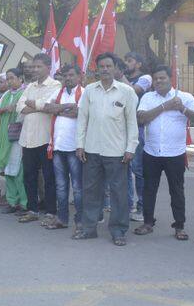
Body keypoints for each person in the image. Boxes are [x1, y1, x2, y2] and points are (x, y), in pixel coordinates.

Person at [75, 52, 139, 246]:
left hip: (117, 152)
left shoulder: (126, 92)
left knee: (119, 193)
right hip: (92, 149)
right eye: (101, 66)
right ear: (97, 69)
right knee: (91, 191)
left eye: (108, 66)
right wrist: (80, 144)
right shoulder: (89, 91)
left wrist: (130, 147)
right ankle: (88, 228)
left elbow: (132, 122)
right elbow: (82, 119)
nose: (105, 69)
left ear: (115, 68)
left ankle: (119, 231)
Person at [134, 65, 194, 240]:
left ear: (170, 79)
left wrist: (182, 109)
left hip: (175, 153)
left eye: (162, 78)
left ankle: (179, 226)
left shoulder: (184, 97)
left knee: (177, 191)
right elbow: (141, 118)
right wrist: (165, 106)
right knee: (149, 189)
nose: (158, 81)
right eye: (155, 78)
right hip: (151, 152)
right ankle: (148, 222)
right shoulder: (148, 97)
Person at [15, 53, 61, 224]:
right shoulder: (30, 86)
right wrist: (37, 105)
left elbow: (48, 105)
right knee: (29, 175)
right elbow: (20, 107)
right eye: (34, 66)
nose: (35, 69)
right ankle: (32, 209)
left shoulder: (56, 85)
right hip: (27, 137)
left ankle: (50, 212)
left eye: (38, 66)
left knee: (49, 176)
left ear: (48, 68)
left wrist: (33, 104)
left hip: (44, 138)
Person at [43, 64, 84, 231]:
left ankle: (80, 221)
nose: (68, 78)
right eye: (65, 75)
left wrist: (58, 109)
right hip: (58, 146)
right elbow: (47, 108)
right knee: (61, 185)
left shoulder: (84, 92)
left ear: (79, 76)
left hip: (75, 147)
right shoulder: (58, 91)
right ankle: (62, 219)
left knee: (78, 187)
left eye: (71, 75)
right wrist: (67, 107)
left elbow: (79, 113)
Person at [0, 68, 26, 214]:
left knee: (18, 171)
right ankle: (12, 202)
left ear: (20, 79)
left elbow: (22, 112)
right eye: (8, 79)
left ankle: (24, 203)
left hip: (19, 137)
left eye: (12, 78)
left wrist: (11, 109)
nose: (10, 81)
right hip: (5, 136)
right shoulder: (6, 94)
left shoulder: (25, 93)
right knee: (8, 170)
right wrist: (6, 109)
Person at [124, 51, 152, 223]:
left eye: (130, 60)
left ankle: (142, 207)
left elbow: (133, 92)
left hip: (138, 128)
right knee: (125, 169)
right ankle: (128, 205)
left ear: (139, 64)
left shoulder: (146, 78)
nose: (127, 63)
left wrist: (120, 77)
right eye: (125, 61)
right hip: (122, 129)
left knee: (138, 170)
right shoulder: (121, 79)